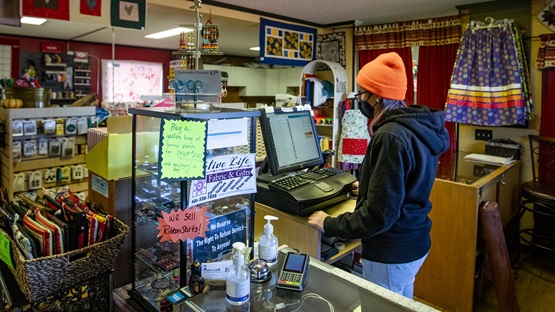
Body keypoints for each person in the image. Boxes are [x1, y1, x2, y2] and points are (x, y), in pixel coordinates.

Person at [307, 52, 449, 299]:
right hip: (414, 242)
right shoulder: (416, 127)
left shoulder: (389, 137)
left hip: (391, 251)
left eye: (362, 93)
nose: (360, 100)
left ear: (377, 96)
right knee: (402, 303)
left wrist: (328, 224)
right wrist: (372, 186)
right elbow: (408, 181)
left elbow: (379, 216)